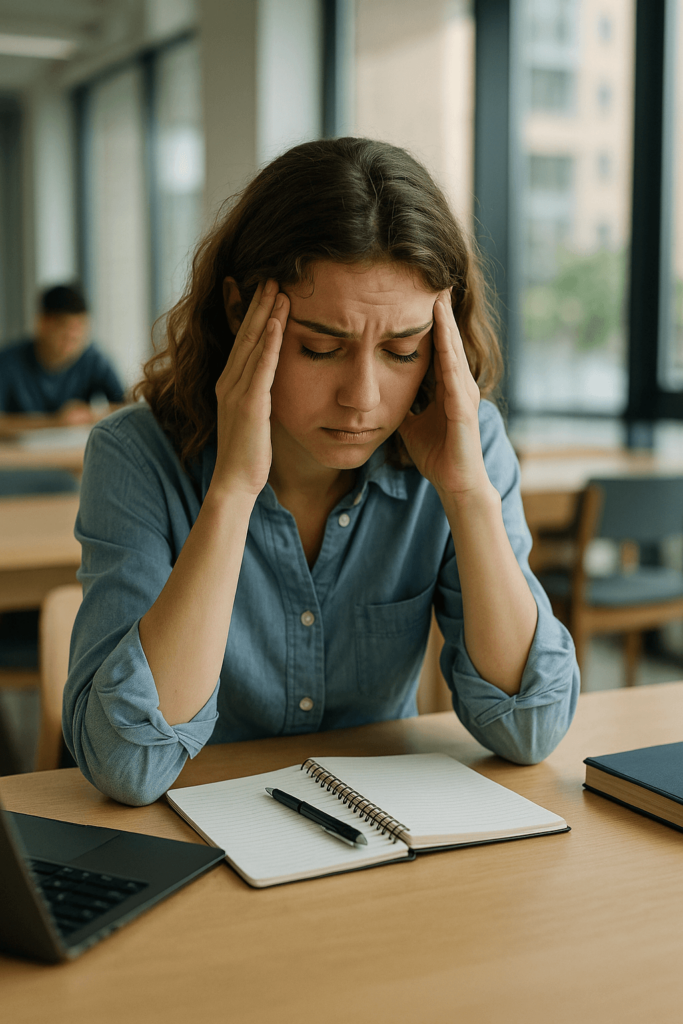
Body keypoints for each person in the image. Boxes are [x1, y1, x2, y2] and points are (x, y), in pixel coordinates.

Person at [63, 138, 579, 806]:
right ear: (238, 309)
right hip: (190, 843)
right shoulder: (135, 456)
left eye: (402, 350)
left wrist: (466, 494)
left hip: (376, 839)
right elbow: (126, 766)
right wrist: (232, 491)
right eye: (320, 347)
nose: (362, 397)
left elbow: (529, 730)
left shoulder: (465, 446)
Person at [0, 284, 125, 424]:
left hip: (75, 445)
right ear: (41, 323)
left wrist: (91, 414)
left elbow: (126, 408)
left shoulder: (94, 360)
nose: (73, 334)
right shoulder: (8, 363)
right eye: (64, 325)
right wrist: (54, 422)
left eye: (80, 325)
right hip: (17, 446)